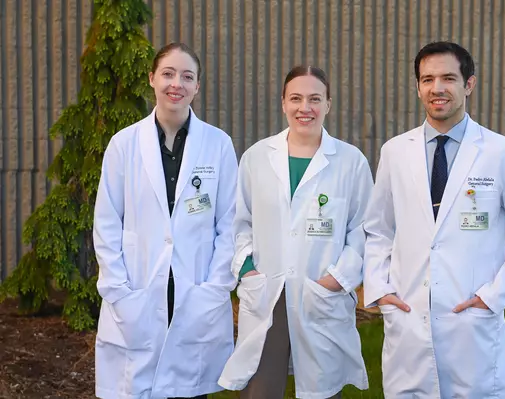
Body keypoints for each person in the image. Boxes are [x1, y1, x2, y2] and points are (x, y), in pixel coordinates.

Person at [363, 41, 505, 398]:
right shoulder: (395, 151)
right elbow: (378, 230)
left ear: (469, 84)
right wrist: (381, 289)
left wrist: (493, 296)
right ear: (418, 86)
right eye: (427, 79)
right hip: (408, 319)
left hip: (471, 326)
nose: (437, 88)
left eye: (448, 78)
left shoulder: (501, 152)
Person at [93, 42, 238, 399]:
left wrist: (215, 289)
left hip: (195, 288)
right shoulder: (123, 145)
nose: (177, 84)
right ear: (152, 79)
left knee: (189, 391)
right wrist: (118, 290)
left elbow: (231, 224)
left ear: (197, 86)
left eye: (187, 76)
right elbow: (107, 222)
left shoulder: (218, 145)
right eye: (168, 74)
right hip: (139, 286)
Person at [218, 66, 372, 398]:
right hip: (267, 292)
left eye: (315, 99)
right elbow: (238, 222)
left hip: (319, 293)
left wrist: (336, 279)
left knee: (321, 388)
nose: (306, 108)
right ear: (284, 104)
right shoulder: (257, 158)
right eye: (296, 99)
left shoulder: (351, 162)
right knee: (260, 389)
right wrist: (247, 268)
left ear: (328, 104)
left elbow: (362, 230)